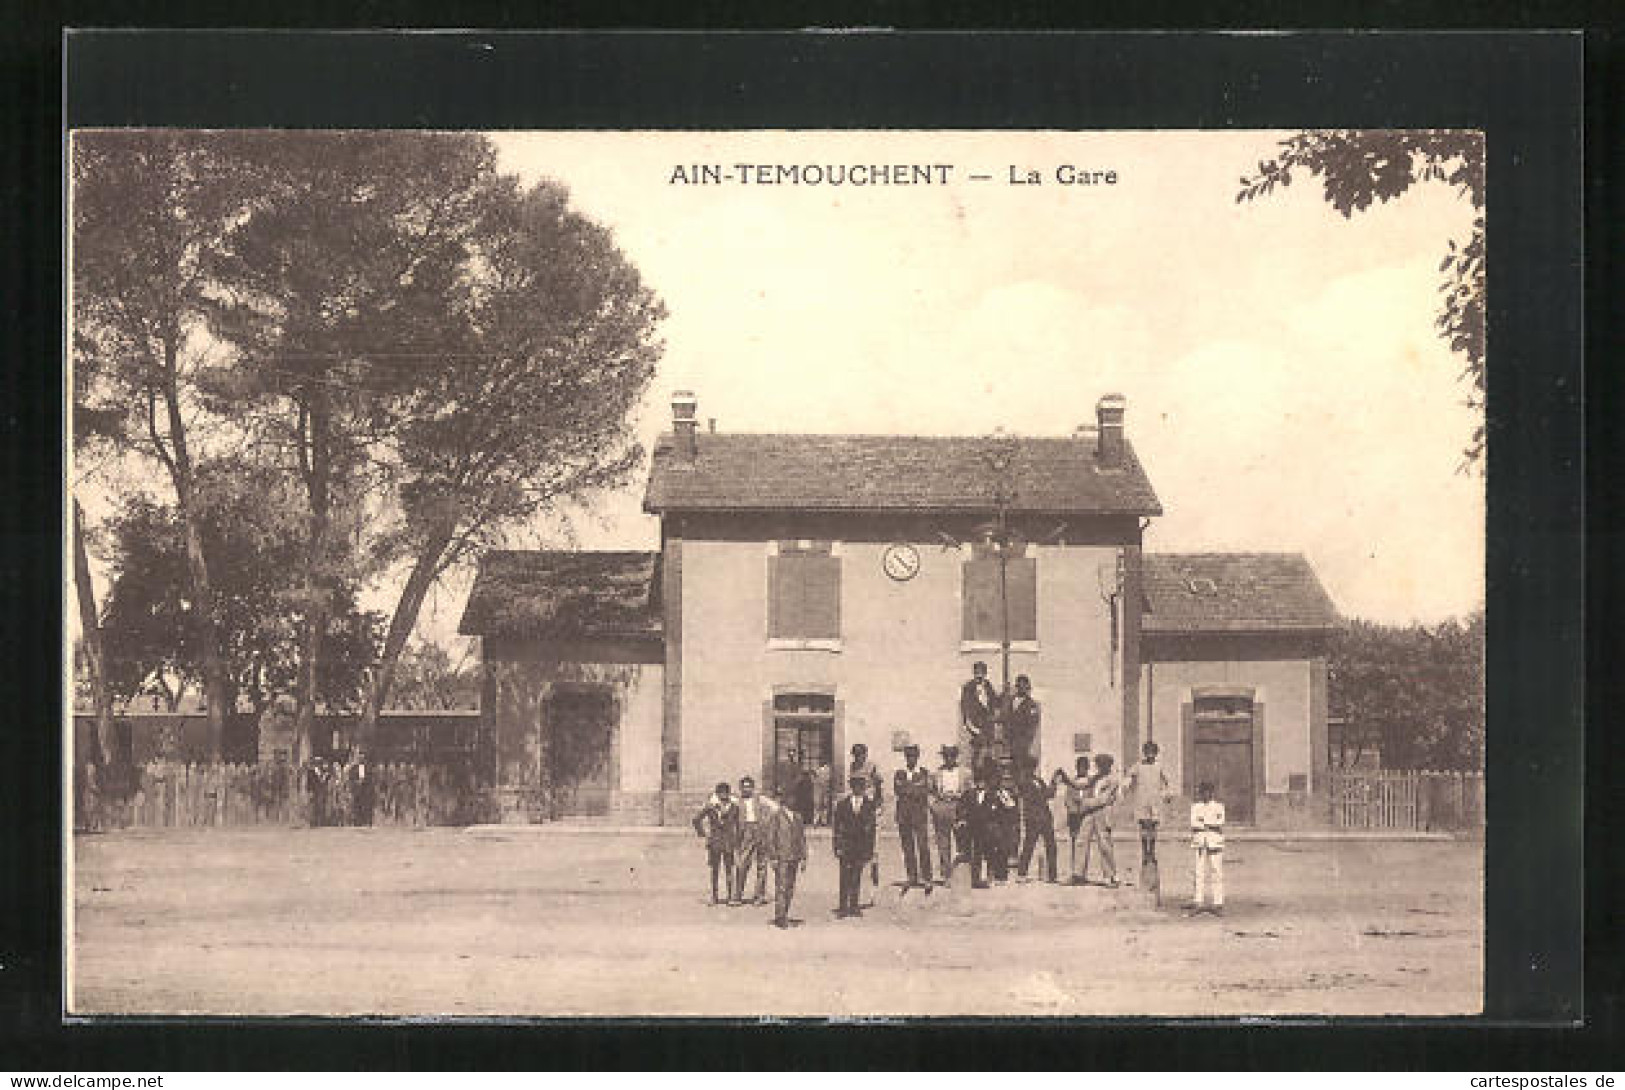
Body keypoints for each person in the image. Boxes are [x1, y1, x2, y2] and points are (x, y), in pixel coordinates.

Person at [1123, 741, 1173, 897]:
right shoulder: (1138, 766)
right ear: (1144, 753)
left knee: (1153, 827)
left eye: (1153, 752)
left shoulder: (1159, 766)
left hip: (1155, 800)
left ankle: (1152, 850)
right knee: (1144, 827)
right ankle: (1145, 851)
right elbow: (1129, 777)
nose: (1150, 754)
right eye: (1147, 752)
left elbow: (1167, 782)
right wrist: (1125, 787)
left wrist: (1167, 794)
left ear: (1156, 753)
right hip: (1142, 799)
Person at [831, 772, 878, 917]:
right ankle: (843, 907)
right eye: (855, 785)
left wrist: (870, 850)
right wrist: (837, 846)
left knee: (857, 875)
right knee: (844, 876)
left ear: (864, 787)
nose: (858, 788)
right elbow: (837, 827)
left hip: (861, 846)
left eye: (861, 785)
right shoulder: (842, 804)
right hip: (846, 845)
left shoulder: (870, 805)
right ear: (851, 786)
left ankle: (854, 906)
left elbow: (871, 829)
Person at [762, 784, 806, 928]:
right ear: (784, 799)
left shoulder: (798, 817)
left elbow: (801, 838)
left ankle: (785, 913)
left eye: (794, 797)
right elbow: (770, 838)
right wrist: (773, 857)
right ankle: (780, 917)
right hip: (781, 857)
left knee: (790, 887)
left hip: (794, 857)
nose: (792, 800)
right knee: (781, 887)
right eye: (789, 797)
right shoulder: (776, 816)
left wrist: (804, 857)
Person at [691, 782, 742, 905]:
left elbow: (739, 825)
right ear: (717, 794)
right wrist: (703, 833)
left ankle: (731, 897)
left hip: (729, 843)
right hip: (715, 843)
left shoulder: (734, 808)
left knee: (729, 870)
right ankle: (714, 896)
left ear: (729, 794)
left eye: (726, 793)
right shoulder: (711, 807)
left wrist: (737, 840)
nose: (723, 795)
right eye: (721, 793)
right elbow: (696, 819)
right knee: (715, 870)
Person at [966, 766, 1017, 888]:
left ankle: (995, 876)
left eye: (983, 781)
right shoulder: (971, 793)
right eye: (978, 781)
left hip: (994, 827)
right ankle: (977, 878)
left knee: (995, 851)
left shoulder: (996, 793)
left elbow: (1010, 806)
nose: (981, 784)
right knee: (977, 852)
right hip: (977, 828)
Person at [893, 743, 933, 891]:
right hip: (903, 815)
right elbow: (898, 790)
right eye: (908, 757)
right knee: (907, 848)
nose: (911, 759)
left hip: (919, 816)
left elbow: (923, 792)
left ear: (918, 757)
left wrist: (908, 788)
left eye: (913, 757)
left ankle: (927, 878)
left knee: (923, 847)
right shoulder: (899, 773)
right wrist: (913, 787)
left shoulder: (924, 773)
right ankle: (912, 876)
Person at [1076, 753, 1121, 886]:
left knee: (1105, 844)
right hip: (1090, 813)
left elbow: (1103, 799)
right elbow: (1081, 785)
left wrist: (1084, 803)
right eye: (1098, 765)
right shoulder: (1095, 778)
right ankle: (1078, 873)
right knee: (1081, 841)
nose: (1100, 768)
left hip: (1103, 812)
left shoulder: (1112, 780)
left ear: (1109, 766)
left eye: (1103, 765)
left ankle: (1110, 875)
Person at [930, 743, 972, 883]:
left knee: (962, 841)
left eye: (952, 756)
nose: (949, 759)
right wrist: (934, 806)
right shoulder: (937, 773)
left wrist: (962, 802)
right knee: (943, 842)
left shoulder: (965, 773)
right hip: (942, 807)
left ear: (956, 757)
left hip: (958, 807)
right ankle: (946, 874)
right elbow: (931, 792)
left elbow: (970, 792)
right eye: (946, 756)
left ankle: (962, 873)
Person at [846, 743, 883, 900]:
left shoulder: (872, 767)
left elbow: (879, 788)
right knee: (858, 851)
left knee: (874, 851)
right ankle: (856, 889)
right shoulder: (852, 766)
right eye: (856, 755)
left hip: (871, 809)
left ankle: (874, 888)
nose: (859, 758)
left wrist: (876, 807)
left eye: (862, 755)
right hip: (859, 811)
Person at [1015, 759, 1059, 882]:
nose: (1031, 770)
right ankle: (1021, 874)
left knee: (1051, 846)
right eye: (1029, 767)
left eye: (1032, 767)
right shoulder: (1023, 782)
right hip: (1033, 818)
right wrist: (1048, 791)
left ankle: (1052, 875)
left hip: (1045, 817)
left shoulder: (1038, 780)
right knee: (1029, 845)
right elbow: (1039, 796)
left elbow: (1049, 794)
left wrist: (1054, 783)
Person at [734, 775, 774, 906]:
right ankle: (737, 896)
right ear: (740, 788)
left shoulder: (760, 799)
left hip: (760, 831)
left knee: (762, 865)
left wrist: (766, 822)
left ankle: (759, 896)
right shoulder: (736, 800)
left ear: (752, 788)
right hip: (745, 832)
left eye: (749, 787)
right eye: (744, 787)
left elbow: (775, 808)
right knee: (742, 864)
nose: (746, 789)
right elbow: (715, 800)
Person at [1055, 754, 1096, 880]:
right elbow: (1067, 800)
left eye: (1084, 767)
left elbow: (1093, 798)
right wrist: (1074, 810)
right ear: (1077, 768)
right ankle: (1074, 871)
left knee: (1084, 844)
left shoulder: (1091, 782)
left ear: (1088, 768)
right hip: (1074, 816)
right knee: (1074, 843)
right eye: (1080, 767)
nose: (1082, 769)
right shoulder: (1071, 782)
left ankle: (1082, 873)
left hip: (1086, 815)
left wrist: (1085, 808)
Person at [1189, 780, 1226, 915]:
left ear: (1212, 793)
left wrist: (1204, 823)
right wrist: (1210, 824)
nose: (1206, 795)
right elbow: (1194, 823)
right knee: (1199, 872)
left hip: (1215, 842)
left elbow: (1220, 822)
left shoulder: (1219, 807)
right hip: (1200, 842)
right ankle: (1198, 900)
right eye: (1203, 792)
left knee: (1216, 871)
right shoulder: (1195, 807)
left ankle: (1218, 902)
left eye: (1208, 792)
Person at [959, 662, 997, 766]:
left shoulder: (988, 686)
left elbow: (994, 702)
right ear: (974, 673)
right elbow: (965, 709)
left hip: (988, 727)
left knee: (988, 756)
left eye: (982, 672)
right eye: (977, 672)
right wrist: (973, 728)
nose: (979, 675)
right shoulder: (968, 688)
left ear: (985, 673)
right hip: (975, 727)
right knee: (977, 754)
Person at [1007, 674, 1042, 769]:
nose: (1021, 689)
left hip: (1022, 745)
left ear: (1027, 688)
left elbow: (1032, 727)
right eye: (1019, 686)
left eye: (1024, 686)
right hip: (1009, 742)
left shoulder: (1031, 705)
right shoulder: (1010, 701)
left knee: (1020, 768)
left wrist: (1023, 743)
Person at [812, 760, 832, 826]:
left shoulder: (827, 769)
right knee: (817, 804)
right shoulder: (816, 769)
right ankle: (817, 820)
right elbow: (813, 779)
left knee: (824, 805)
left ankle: (823, 820)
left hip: (825, 789)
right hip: (818, 789)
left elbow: (828, 779)